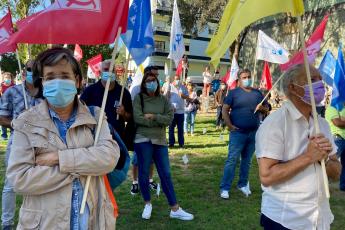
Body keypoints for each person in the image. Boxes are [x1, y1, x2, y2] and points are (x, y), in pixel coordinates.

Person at [6, 47, 120, 229]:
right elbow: (20, 179)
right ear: (42, 82)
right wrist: (84, 165)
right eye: (50, 77)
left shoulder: (95, 116)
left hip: (92, 222)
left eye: (65, 76)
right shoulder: (26, 123)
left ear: (77, 81)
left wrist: (59, 158)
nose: (58, 82)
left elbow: (108, 158)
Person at [256, 64, 336, 230]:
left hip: (320, 218)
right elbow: (267, 176)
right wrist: (308, 157)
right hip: (286, 219)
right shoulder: (275, 124)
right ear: (293, 88)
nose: (320, 85)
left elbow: (336, 172)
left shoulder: (322, 125)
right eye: (311, 80)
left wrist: (326, 159)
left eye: (320, 80)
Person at [133, 71, 193, 220]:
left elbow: (169, 119)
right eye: (148, 80)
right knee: (143, 172)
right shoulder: (138, 98)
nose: (151, 83)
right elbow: (138, 119)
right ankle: (147, 204)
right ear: (143, 83)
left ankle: (175, 208)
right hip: (143, 139)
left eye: (153, 80)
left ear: (158, 82)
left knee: (165, 174)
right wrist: (158, 121)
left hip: (160, 141)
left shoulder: (163, 100)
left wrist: (153, 117)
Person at [0, 61, 43, 230]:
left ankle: (35, 221)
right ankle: (7, 223)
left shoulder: (47, 93)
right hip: (17, 141)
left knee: (38, 182)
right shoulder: (12, 92)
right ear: (24, 71)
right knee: (11, 184)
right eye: (30, 69)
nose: (33, 72)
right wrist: (18, 123)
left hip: (41, 143)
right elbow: (2, 117)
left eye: (37, 69)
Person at [220, 69, 268, 199]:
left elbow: (267, 110)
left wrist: (262, 108)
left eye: (248, 76)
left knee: (246, 161)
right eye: (244, 77)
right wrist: (229, 125)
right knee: (232, 160)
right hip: (238, 133)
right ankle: (225, 188)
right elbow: (224, 110)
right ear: (239, 80)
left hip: (253, 133)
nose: (247, 79)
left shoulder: (258, 93)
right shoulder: (233, 93)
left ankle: (242, 184)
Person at [129, 66, 159, 195]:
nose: (156, 79)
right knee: (137, 159)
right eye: (154, 75)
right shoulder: (136, 89)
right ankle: (135, 182)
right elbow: (132, 110)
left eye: (157, 76)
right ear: (146, 75)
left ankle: (150, 180)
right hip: (140, 130)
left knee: (151, 158)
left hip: (154, 130)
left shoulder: (158, 91)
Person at [325, 104, 345, 191]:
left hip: (342, 138)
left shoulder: (343, 108)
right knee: (330, 162)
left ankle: (343, 186)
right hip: (337, 139)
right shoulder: (332, 107)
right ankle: (323, 185)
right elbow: (337, 122)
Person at [166, 75, 189, 148]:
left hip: (181, 112)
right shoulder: (169, 86)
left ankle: (181, 143)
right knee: (171, 128)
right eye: (176, 79)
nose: (177, 81)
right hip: (172, 112)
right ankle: (171, 143)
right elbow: (166, 97)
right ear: (173, 80)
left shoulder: (183, 87)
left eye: (178, 79)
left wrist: (182, 95)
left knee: (180, 129)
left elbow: (187, 96)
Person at [0, 72, 15, 141]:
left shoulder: (14, 86)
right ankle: (4, 135)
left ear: (11, 78)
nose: (7, 79)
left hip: (12, 105)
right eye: (6, 77)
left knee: (12, 119)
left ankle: (13, 133)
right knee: (3, 119)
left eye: (8, 77)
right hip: (3, 105)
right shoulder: (1, 86)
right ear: (3, 78)